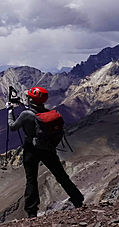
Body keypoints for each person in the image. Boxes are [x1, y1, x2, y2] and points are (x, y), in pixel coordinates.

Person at [7, 86, 84, 218]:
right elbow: (33, 111)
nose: (27, 98)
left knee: (31, 180)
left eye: (29, 97)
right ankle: (77, 198)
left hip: (31, 149)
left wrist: (10, 111)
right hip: (48, 149)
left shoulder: (26, 115)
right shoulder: (45, 112)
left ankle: (32, 212)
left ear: (31, 99)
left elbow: (13, 127)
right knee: (61, 175)